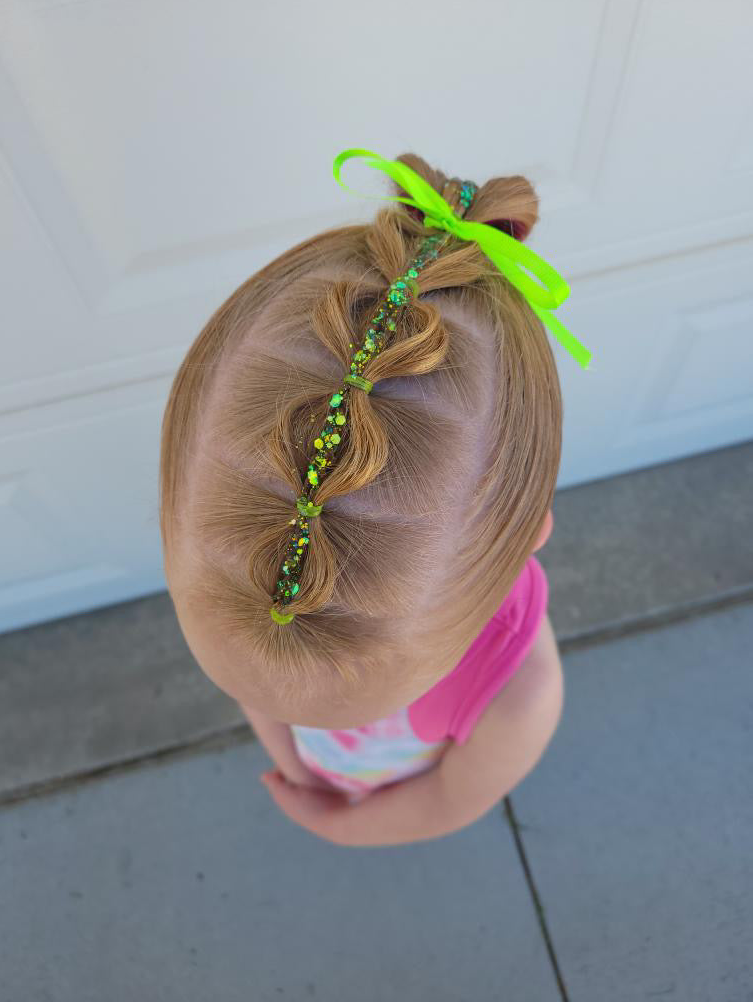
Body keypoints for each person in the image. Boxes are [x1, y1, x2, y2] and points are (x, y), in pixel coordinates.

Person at [159, 149, 569, 847]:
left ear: (528, 534)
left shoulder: (517, 699)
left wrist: (340, 825)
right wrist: (294, 760)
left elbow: (446, 801)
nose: (295, 719)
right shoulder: (237, 574)